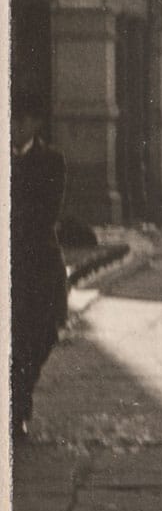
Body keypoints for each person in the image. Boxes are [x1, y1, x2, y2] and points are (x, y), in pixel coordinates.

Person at [10, 90, 69, 439]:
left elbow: (47, 213)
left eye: (19, 121)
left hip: (39, 265)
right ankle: (15, 410)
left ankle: (21, 396)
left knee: (42, 337)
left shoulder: (52, 161)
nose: (12, 127)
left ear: (35, 124)